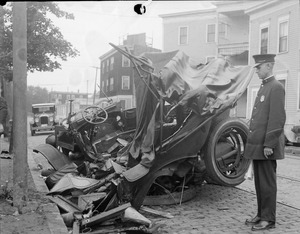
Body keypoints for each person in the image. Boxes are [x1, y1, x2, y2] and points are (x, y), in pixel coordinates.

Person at [244, 54, 286, 231]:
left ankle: (268, 219)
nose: (256, 70)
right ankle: (262, 214)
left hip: (266, 146)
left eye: (259, 67)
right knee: (260, 184)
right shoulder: (264, 88)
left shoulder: (275, 87)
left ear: (269, 66)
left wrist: (269, 144)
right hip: (259, 145)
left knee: (267, 184)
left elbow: (277, 119)